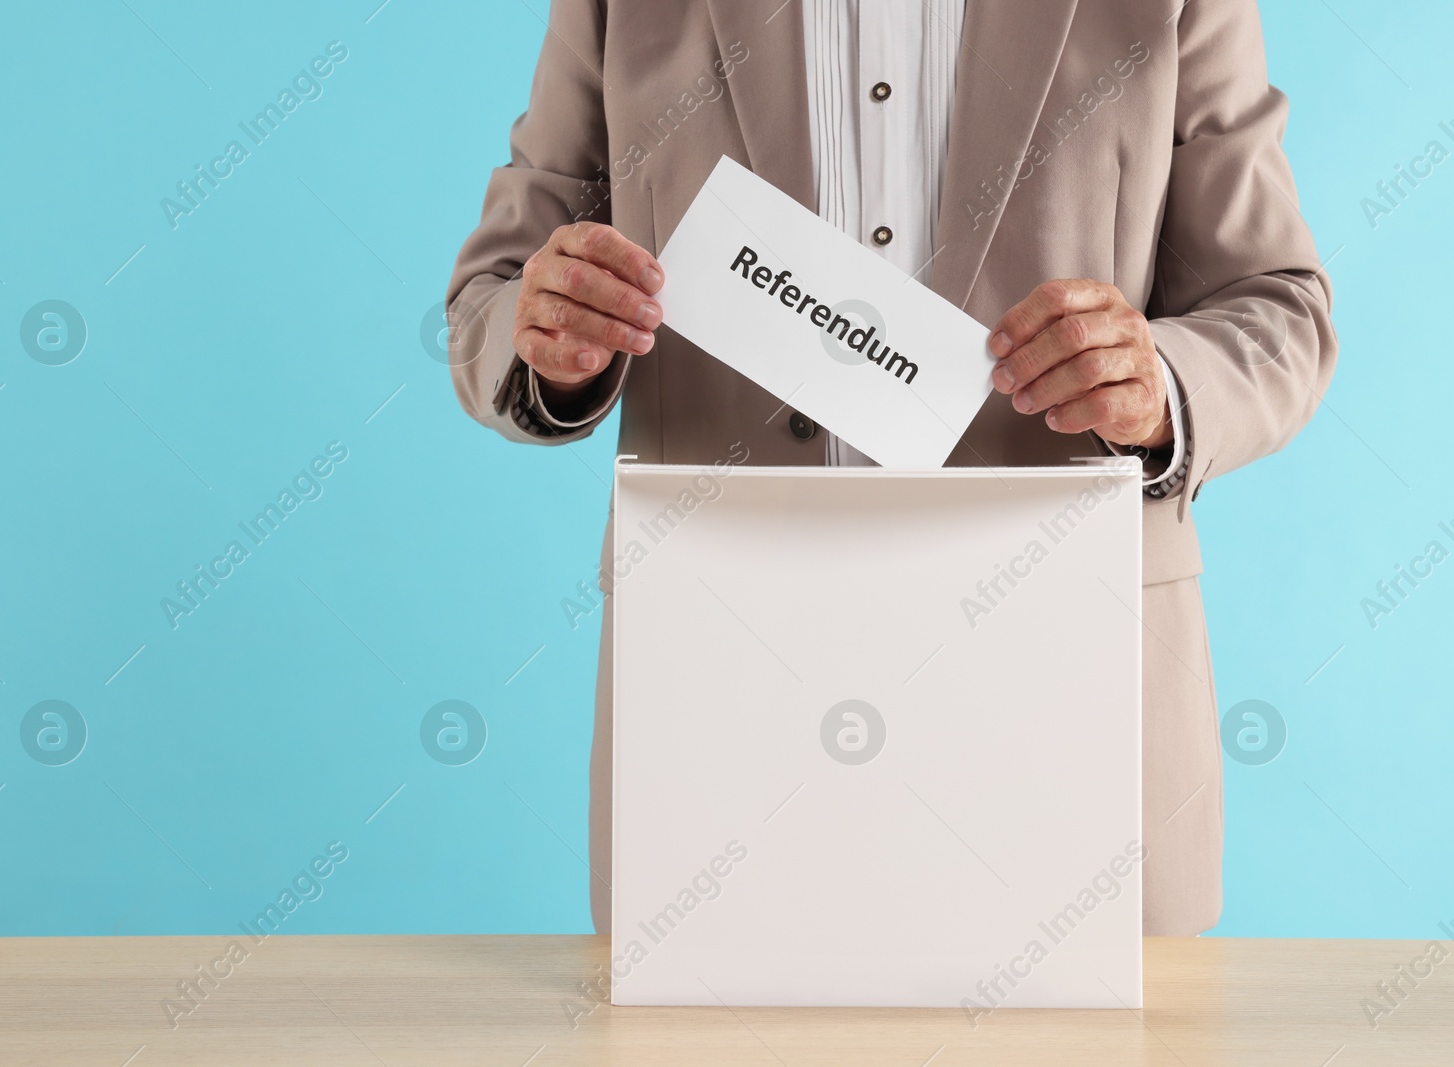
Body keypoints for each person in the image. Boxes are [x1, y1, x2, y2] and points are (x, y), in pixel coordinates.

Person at [446, 0, 1337, 936]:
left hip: (1070, 702)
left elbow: (1279, 307)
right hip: (722, 707)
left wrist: (1159, 380)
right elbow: (492, 294)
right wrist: (541, 323)